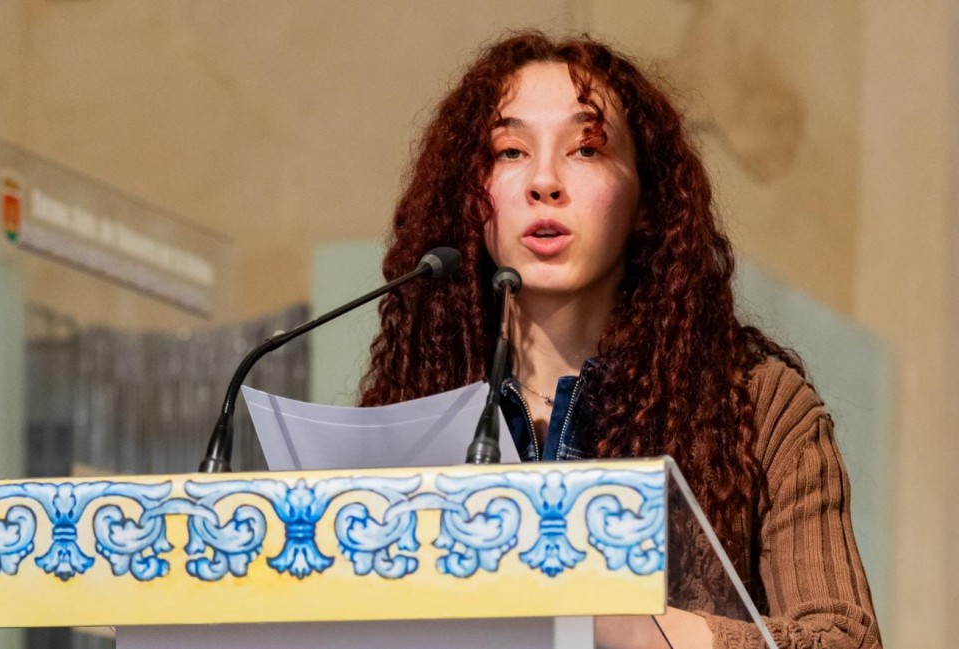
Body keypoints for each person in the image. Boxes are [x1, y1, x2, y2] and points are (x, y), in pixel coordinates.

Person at [359, 31, 881, 649]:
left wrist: (626, 625)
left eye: (586, 148)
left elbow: (845, 639)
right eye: (509, 151)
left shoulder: (759, 407)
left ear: (646, 201)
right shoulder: (413, 411)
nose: (544, 181)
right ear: (470, 198)